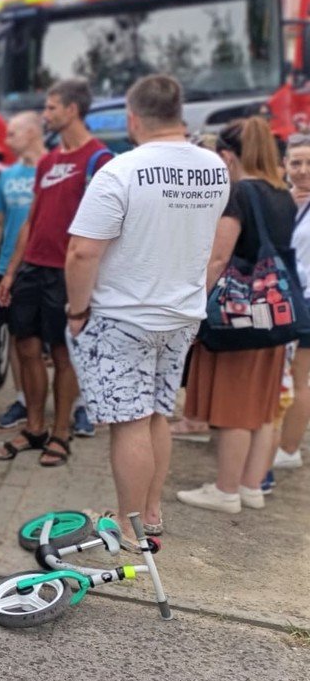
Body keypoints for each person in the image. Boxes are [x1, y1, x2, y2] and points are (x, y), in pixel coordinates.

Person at [64, 76, 229, 541]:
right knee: (158, 412)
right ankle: (151, 512)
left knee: (129, 422)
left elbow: (82, 252)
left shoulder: (120, 171)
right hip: (182, 313)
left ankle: (128, 524)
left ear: (133, 118)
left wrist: (77, 313)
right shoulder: (215, 168)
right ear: (180, 114)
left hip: (125, 315)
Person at [177, 118, 296, 513]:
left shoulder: (240, 193)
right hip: (274, 311)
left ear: (228, 156)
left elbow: (218, 259)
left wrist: (196, 306)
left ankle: (225, 490)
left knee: (234, 408)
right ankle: (250, 487)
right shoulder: (282, 192)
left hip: (239, 314)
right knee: (263, 406)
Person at [0, 79, 111, 465]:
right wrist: (11, 272)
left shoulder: (99, 159)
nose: (45, 114)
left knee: (64, 354)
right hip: (32, 269)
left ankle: (61, 433)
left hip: (67, 273)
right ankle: (35, 427)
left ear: (72, 110)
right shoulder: (47, 162)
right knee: (26, 348)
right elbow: (31, 219)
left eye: (51, 107)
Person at [0, 111, 44, 429]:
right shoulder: (7, 177)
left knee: (62, 343)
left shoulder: (54, 169)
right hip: (9, 269)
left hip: (48, 266)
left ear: (32, 133)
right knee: (18, 338)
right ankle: (22, 400)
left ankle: (77, 406)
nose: (7, 139)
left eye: (13, 132)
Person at [271, 134, 310, 471]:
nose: (302, 170)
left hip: (306, 300)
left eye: (309, 163)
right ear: (284, 165)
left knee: (299, 378)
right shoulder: (286, 200)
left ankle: (288, 448)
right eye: (296, 162)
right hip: (288, 298)